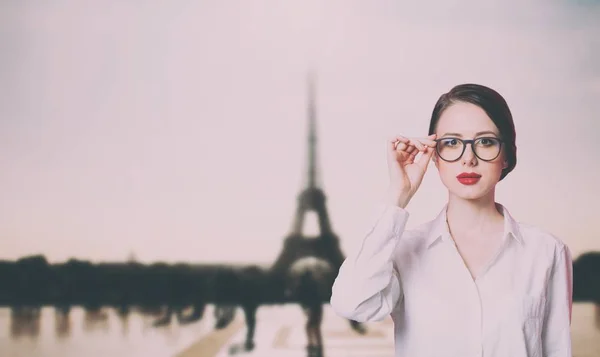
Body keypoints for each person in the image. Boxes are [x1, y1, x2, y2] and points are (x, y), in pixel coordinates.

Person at [330, 83, 573, 357]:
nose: (468, 158)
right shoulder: (402, 250)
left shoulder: (546, 251)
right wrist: (397, 195)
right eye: (452, 143)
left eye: (486, 141)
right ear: (434, 155)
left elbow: (557, 350)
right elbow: (351, 303)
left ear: (506, 155)